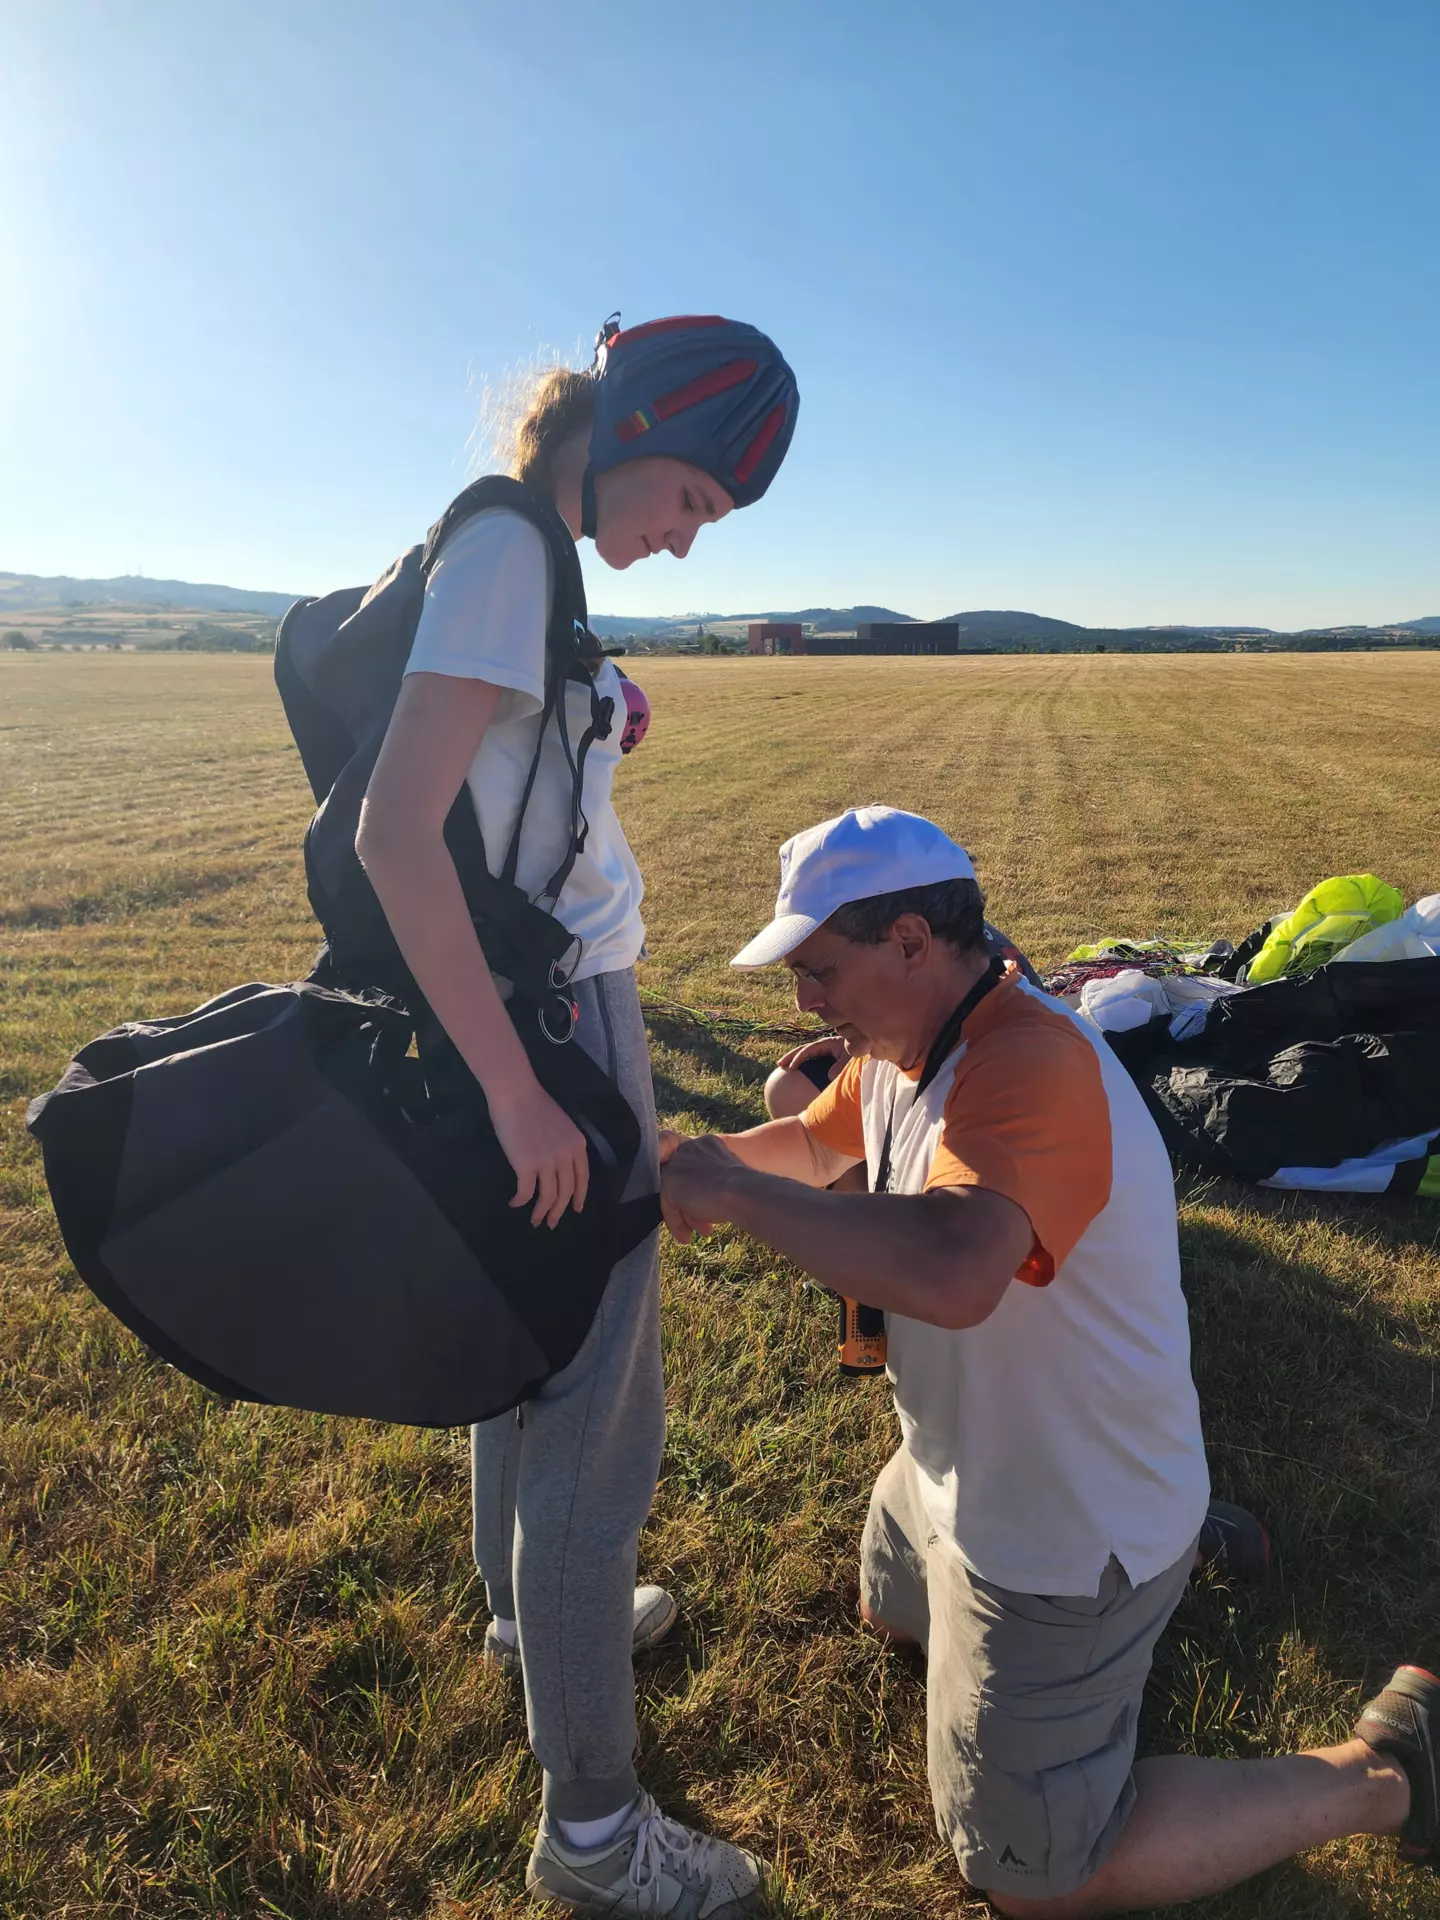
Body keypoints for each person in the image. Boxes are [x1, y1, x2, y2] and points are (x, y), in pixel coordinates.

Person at [659, 804, 1438, 1916]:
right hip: (958, 1461)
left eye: (822, 969)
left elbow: (958, 1268)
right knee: (888, 1613)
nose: (805, 1002)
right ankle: (1169, 1559)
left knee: (1030, 1873)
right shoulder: (902, 1045)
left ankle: (1389, 1771)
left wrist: (735, 1193)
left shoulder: (1028, 1065)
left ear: (915, 941)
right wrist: (676, 1164)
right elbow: (807, 1143)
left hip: (1060, 1522)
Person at [356, 313, 797, 1919]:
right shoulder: (511, 555)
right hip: (543, 1033)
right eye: (692, 498)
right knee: (602, 1430)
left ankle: (517, 1617)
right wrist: (520, 1090)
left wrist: (598, 698)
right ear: (633, 431)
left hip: (536, 1021)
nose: (684, 540)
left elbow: (488, 781)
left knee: (525, 1351)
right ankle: (598, 1836)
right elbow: (402, 835)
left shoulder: (522, 555)